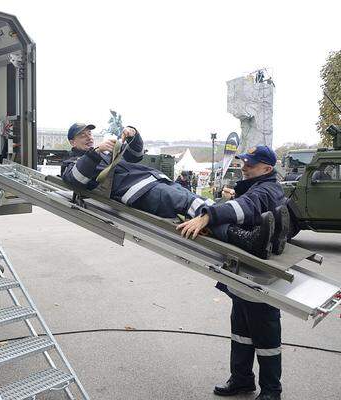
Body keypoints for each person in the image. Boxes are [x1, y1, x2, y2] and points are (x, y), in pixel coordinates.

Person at [61, 123, 286, 260]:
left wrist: (133, 135)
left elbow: (135, 155)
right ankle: (244, 238)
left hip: (155, 183)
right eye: (83, 135)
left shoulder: (103, 154)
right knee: (196, 209)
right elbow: (75, 179)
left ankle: (251, 235)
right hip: (141, 192)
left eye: (90, 134)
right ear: (72, 141)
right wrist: (95, 152)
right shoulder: (73, 161)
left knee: (198, 206)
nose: (89, 137)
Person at [177, 145, 289, 400]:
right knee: (241, 330)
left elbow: (245, 208)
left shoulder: (267, 189)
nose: (244, 166)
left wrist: (207, 217)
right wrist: (234, 194)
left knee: (266, 334)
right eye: (243, 161)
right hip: (241, 275)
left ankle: (272, 391)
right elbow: (244, 201)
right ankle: (241, 380)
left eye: (250, 163)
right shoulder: (256, 187)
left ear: (267, 169)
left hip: (258, 279)